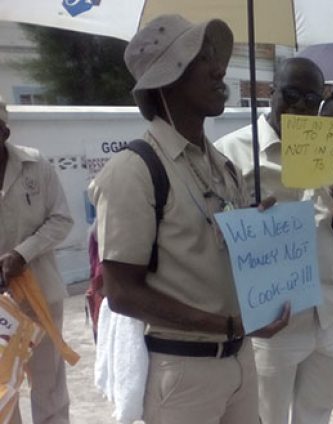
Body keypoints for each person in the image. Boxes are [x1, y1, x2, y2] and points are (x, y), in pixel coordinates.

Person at [89, 15, 289, 423]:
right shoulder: (134, 170)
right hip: (182, 373)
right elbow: (123, 293)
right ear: (167, 79)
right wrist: (230, 325)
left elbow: (211, 247)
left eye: (215, 57)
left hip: (239, 361)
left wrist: (252, 231)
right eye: (202, 59)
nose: (220, 69)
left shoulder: (221, 164)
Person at [215, 57, 333, 424]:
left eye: (311, 100)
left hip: (327, 310)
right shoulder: (229, 152)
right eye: (291, 95)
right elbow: (213, 238)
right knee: (268, 417)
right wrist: (244, 218)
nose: (299, 106)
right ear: (269, 92)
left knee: (317, 412)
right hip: (273, 317)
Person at [0, 97, 73, 424]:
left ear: (4, 130)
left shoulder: (36, 165)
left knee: (48, 385)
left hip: (40, 293)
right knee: (3, 386)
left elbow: (61, 220)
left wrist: (21, 253)